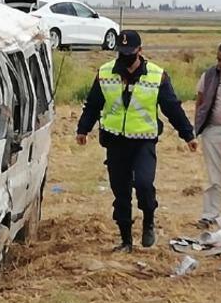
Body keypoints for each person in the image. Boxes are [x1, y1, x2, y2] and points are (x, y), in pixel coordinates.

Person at [76, 30, 198, 252]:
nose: (125, 56)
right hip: (115, 140)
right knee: (121, 193)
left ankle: (148, 219)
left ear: (140, 51)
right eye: (121, 52)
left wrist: (187, 134)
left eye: (129, 52)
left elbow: (172, 108)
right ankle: (126, 241)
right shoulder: (105, 73)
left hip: (144, 141)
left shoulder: (157, 75)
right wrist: (83, 129)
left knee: (143, 184)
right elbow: (93, 104)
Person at [194, 42, 221, 227]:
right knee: (212, 175)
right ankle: (210, 214)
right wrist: (197, 126)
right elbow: (200, 101)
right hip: (212, 130)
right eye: (219, 59)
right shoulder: (209, 75)